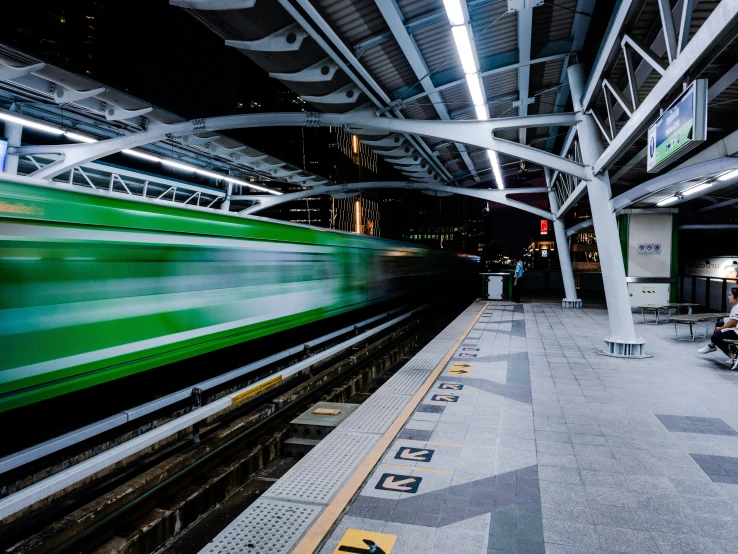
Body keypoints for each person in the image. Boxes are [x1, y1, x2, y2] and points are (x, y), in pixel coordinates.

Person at [698, 287, 738, 370]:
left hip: (736, 332)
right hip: (735, 328)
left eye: (730, 295)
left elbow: (733, 323)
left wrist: (721, 328)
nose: (728, 297)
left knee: (715, 337)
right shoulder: (735, 307)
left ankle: (732, 356)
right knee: (718, 324)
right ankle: (712, 345)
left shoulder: (736, 308)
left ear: (736, 298)